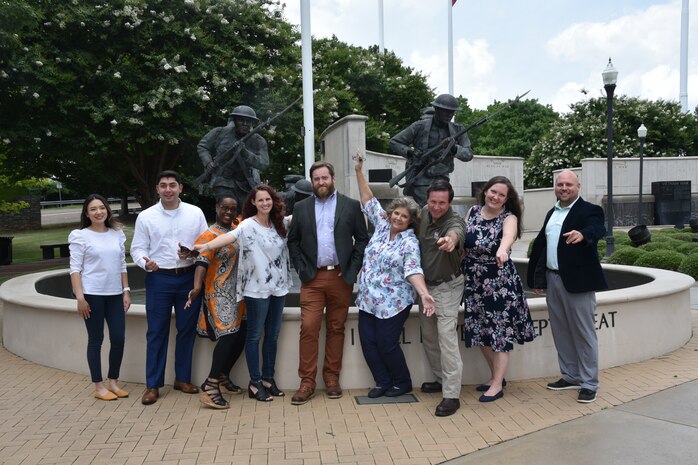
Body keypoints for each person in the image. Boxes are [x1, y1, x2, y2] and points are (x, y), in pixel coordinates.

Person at [191, 184, 292, 402]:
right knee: (254, 336)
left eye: (268, 199)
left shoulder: (279, 223)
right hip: (256, 290)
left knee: (272, 336)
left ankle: (268, 379)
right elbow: (228, 238)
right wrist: (204, 248)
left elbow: (305, 214)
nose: (265, 203)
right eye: (261, 200)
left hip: (279, 287)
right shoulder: (247, 225)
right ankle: (255, 382)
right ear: (253, 203)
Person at [353, 153, 436, 398]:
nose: (398, 218)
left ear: (411, 221)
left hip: (393, 303)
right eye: (396, 213)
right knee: (368, 343)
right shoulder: (380, 225)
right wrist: (359, 171)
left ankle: (402, 382)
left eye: (404, 216)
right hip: (368, 299)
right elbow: (368, 198)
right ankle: (382, 382)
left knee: (387, 344)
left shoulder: (409, 241)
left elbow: (413, 270)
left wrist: (424, 294)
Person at [287, 161, 369, 405]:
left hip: (340, 278)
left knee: (336, 328)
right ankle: (307, 383)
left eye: (325, 178)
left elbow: (362, 240)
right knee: (309, 327)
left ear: (333, 178)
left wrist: (351, 271)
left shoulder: (351, 206)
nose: (321, 182)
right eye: (316, 179)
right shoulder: (301, 208)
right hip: (312, 278)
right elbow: (293, 242)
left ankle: (332, 379)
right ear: (312, 182)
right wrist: (301, 269)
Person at [527, 170, 608, 404]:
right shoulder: (552, 213)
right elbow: (542, 247)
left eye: (568, 184)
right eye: (560, 184)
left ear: (578, 187)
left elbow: (597, 228)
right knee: (561, 331)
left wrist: (583, 234)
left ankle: (589, 383)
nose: (564, 188)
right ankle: (571, 375)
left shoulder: (590, 211)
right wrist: (538, 280)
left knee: (583, 332)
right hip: (553, 280)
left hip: (578, 282)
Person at [130, 170, 208, 405]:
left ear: (180, 188)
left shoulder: (195, 213)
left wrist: (194, 252)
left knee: (186, 330)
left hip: (188, 278)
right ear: (157, 189)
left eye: (172, 185)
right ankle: (153, 385)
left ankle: (182, 379)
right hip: (159, 279)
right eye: (163, 185)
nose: (168, 190)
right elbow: (137, 248)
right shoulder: (146, 217)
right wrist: (146, 262)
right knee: (156, 332)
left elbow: (206, 244)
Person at [461, 176, 536, 403]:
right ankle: (496, 377)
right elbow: (463, 243)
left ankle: (496, 385)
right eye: (493, 192)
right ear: (485, 191)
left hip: (499, 282)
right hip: (474, 282)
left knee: (499, 334)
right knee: (481, 332)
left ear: (506, 199)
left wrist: (503, 250)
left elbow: (508, 236)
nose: (495, 197)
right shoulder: (472, 212)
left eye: (501, 195)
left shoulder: (508, 217)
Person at [185, 196, 247, 409]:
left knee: (242, 335)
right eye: (224, 208)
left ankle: (222, 375)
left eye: (232, 208)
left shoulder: (239, 226)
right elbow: (201, 262)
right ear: (216, 208)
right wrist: (197, 287)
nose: (228, 212)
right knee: (229, 336)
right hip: (218, 293)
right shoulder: (209, 235)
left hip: (239, 294)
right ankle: (210, 385)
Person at [69, 194, 131, 401]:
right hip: (92, 295)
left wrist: (126, 291)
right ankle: (99, 386)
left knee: (119, 339)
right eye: (93, 209)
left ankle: (113, 381)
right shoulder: (80, 236)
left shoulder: (117, 234)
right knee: (96, 340)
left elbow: (122, 265)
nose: (98, 212)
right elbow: (75, 270)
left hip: (115, 295)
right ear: (87, 213)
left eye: (101, 208)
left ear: (107, 210)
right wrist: (80, 297)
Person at [416, 180, 466, 417]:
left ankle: (452, 395)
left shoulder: (454, 220)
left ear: (450, 202)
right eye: (433, 201)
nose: (437, 207)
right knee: (429, 335)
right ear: (427, 200)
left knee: (446, 338)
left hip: (448, 286)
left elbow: (456, 233)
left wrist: (451, 241)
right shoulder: (424, 213)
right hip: (426, 289)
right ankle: (440, 379)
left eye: (442, 203)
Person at [389, 94, 474, 207]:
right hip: (420, 177)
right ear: (436, 109)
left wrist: (453, 148)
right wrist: (410, 152)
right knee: (427, 209)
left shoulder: (458, 129)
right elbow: (394, 142)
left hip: (442, 178)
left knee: (441, 208)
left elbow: (468, 154)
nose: (449, 115)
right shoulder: (419, 126)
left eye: (452, 112)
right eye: (445, 111)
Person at [197, 105, 269, 207]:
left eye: (248, 121)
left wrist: (245, 153)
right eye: (241, 120)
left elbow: (264, 164)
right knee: (227, 207)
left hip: (245, 182)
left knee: (245, 213)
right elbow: (203, 146)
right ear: (234, 120)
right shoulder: (220, 132)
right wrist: (208, 162)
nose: (245, 124)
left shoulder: (258, 141)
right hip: (223, 180)